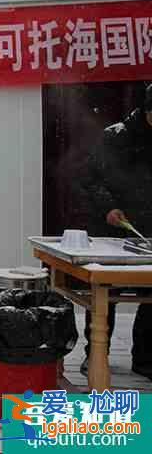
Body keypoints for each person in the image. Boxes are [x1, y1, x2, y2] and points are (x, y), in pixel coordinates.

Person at [77, 83, 152, 381]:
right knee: (105, 294)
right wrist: (108, 207)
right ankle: (96, 354)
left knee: (150, 294)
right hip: (112, 226)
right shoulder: (115, 136)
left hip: (148, 228)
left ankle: (145, 358)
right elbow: (89, 179)